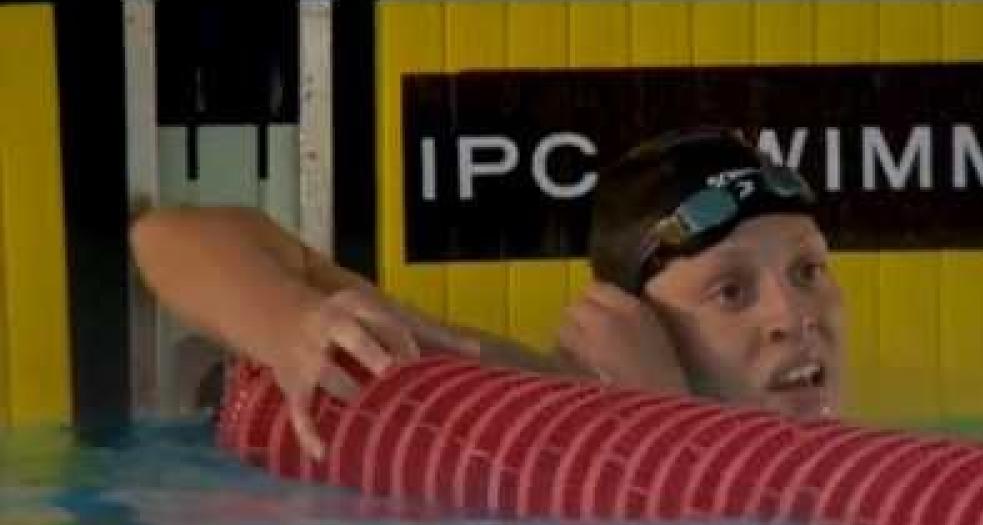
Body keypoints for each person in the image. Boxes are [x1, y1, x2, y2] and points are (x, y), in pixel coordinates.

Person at [131, 127, 843, 458]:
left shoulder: (853, 461)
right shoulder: (535, 402)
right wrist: (289, 323)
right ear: (629, 319)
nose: (794, 317)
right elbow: (166, 239)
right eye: (730, 291)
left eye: (809, 272)